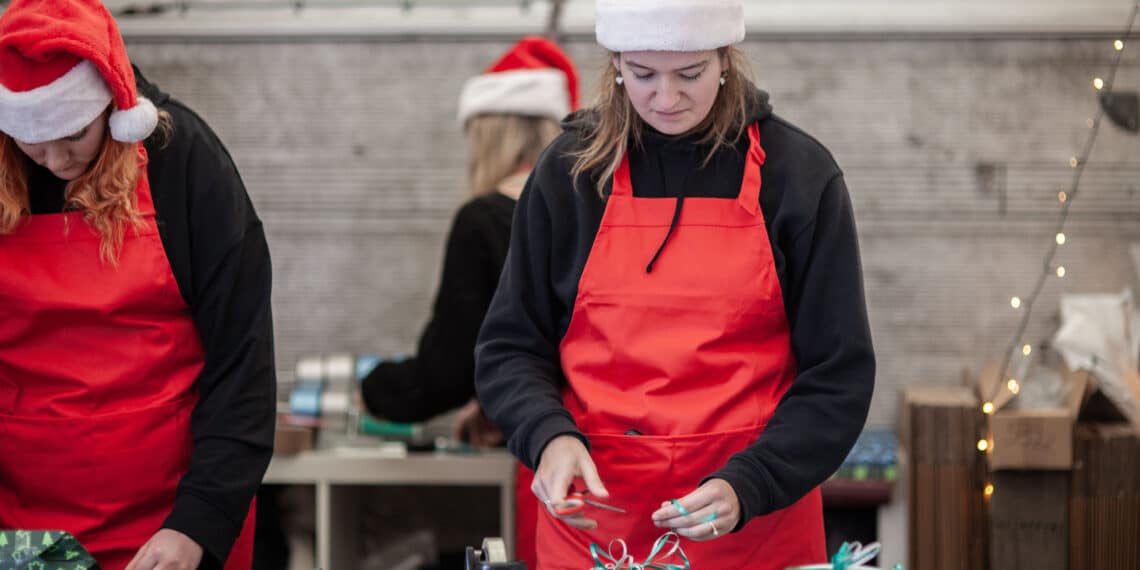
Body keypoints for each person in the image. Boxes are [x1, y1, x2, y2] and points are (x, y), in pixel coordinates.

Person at [474, 0, 876, 568]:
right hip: (596, 531)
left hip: (752, 531)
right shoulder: (570, 175)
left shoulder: (798, 177)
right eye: (642, 75)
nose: (667, 98)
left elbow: (838, 377)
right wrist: (548, 437)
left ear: (725, 60)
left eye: (690, 73)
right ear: (615, 64)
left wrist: (751, 483)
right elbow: (510, 347)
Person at [0, 1, 276, 569]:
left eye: (73, 133)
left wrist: (199, 522)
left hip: (171, 529)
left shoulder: (184, 163)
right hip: (21, 532)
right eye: (32, 140)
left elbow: (242, 361)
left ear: (110, 105)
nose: (54, 160)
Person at [357, 36, 578, 568]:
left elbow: (451, 366)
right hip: (625, 442)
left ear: (490, 136)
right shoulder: (591, 208)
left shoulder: (484, 219)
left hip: (550, 449)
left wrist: (377, 391)